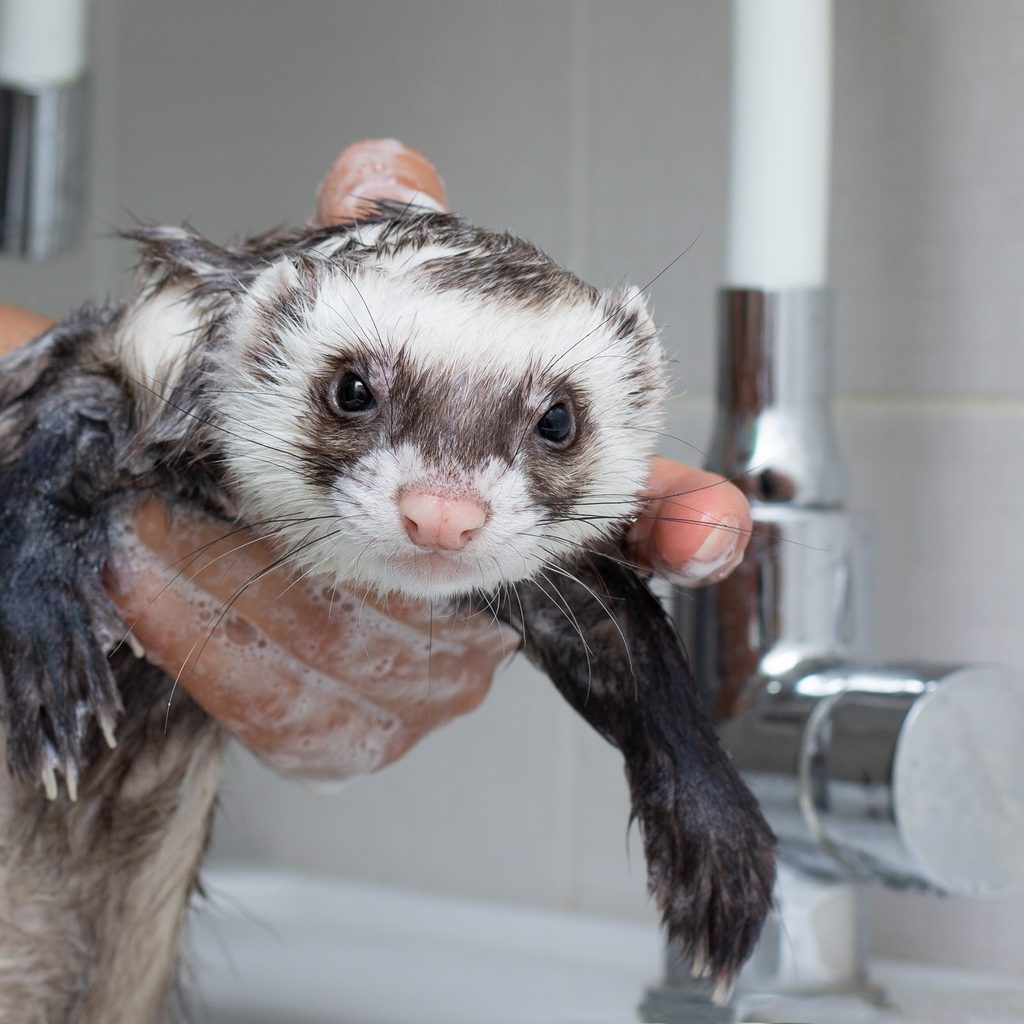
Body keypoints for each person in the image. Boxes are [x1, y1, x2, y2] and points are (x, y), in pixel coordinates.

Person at [0, 141, 752, 781]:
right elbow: (81, 398)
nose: (445, 510)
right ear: (259, 351)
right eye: (355, 397)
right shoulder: (162, 359)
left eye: (554, 427)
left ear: (640, 406)